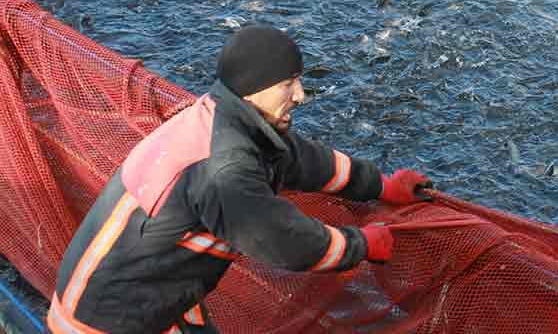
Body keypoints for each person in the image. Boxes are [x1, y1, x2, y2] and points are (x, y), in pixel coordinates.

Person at [47, 25, 433, 334]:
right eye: (288, 84)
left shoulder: (224, 120)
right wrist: (361, 244)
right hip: (105, 322)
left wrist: (382, 185)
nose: (300, 95)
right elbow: (284, 241)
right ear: (254, 88)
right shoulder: (224, 170)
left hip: (149, 294)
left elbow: (297, 159)